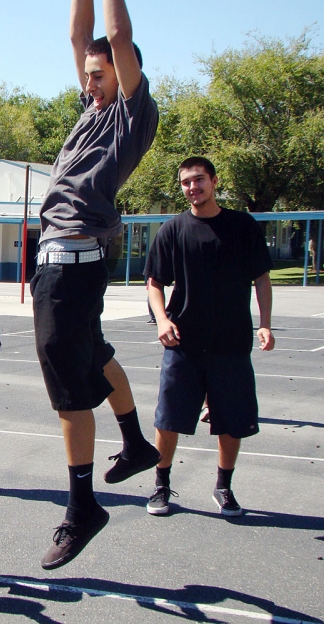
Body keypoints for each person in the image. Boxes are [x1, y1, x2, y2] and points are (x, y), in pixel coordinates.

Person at [30, 0, 160, 570]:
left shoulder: (133, 114)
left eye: (99, 74)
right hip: (66, 262)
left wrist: (111, 37)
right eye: (86, 75)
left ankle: (82, 506)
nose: (89, 82)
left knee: (68, 388)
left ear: (125, 70)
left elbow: (115, 31)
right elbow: (83, 34)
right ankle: (134, 442)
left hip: (71, 262)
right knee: (93, 356)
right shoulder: (92, 106)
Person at [144, 156, 275, 518]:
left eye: (199, 180)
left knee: (231, 421)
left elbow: (261, 278)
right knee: (168, 419)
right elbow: (155, 283)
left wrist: (265, 323)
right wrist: (161, 321)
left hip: (231, 344)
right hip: (183, 344)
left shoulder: (241, 226)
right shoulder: (172, 230)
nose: (192, 187)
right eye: (186, 182)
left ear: (214, 181)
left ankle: (223, 487)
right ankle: (161, 484)